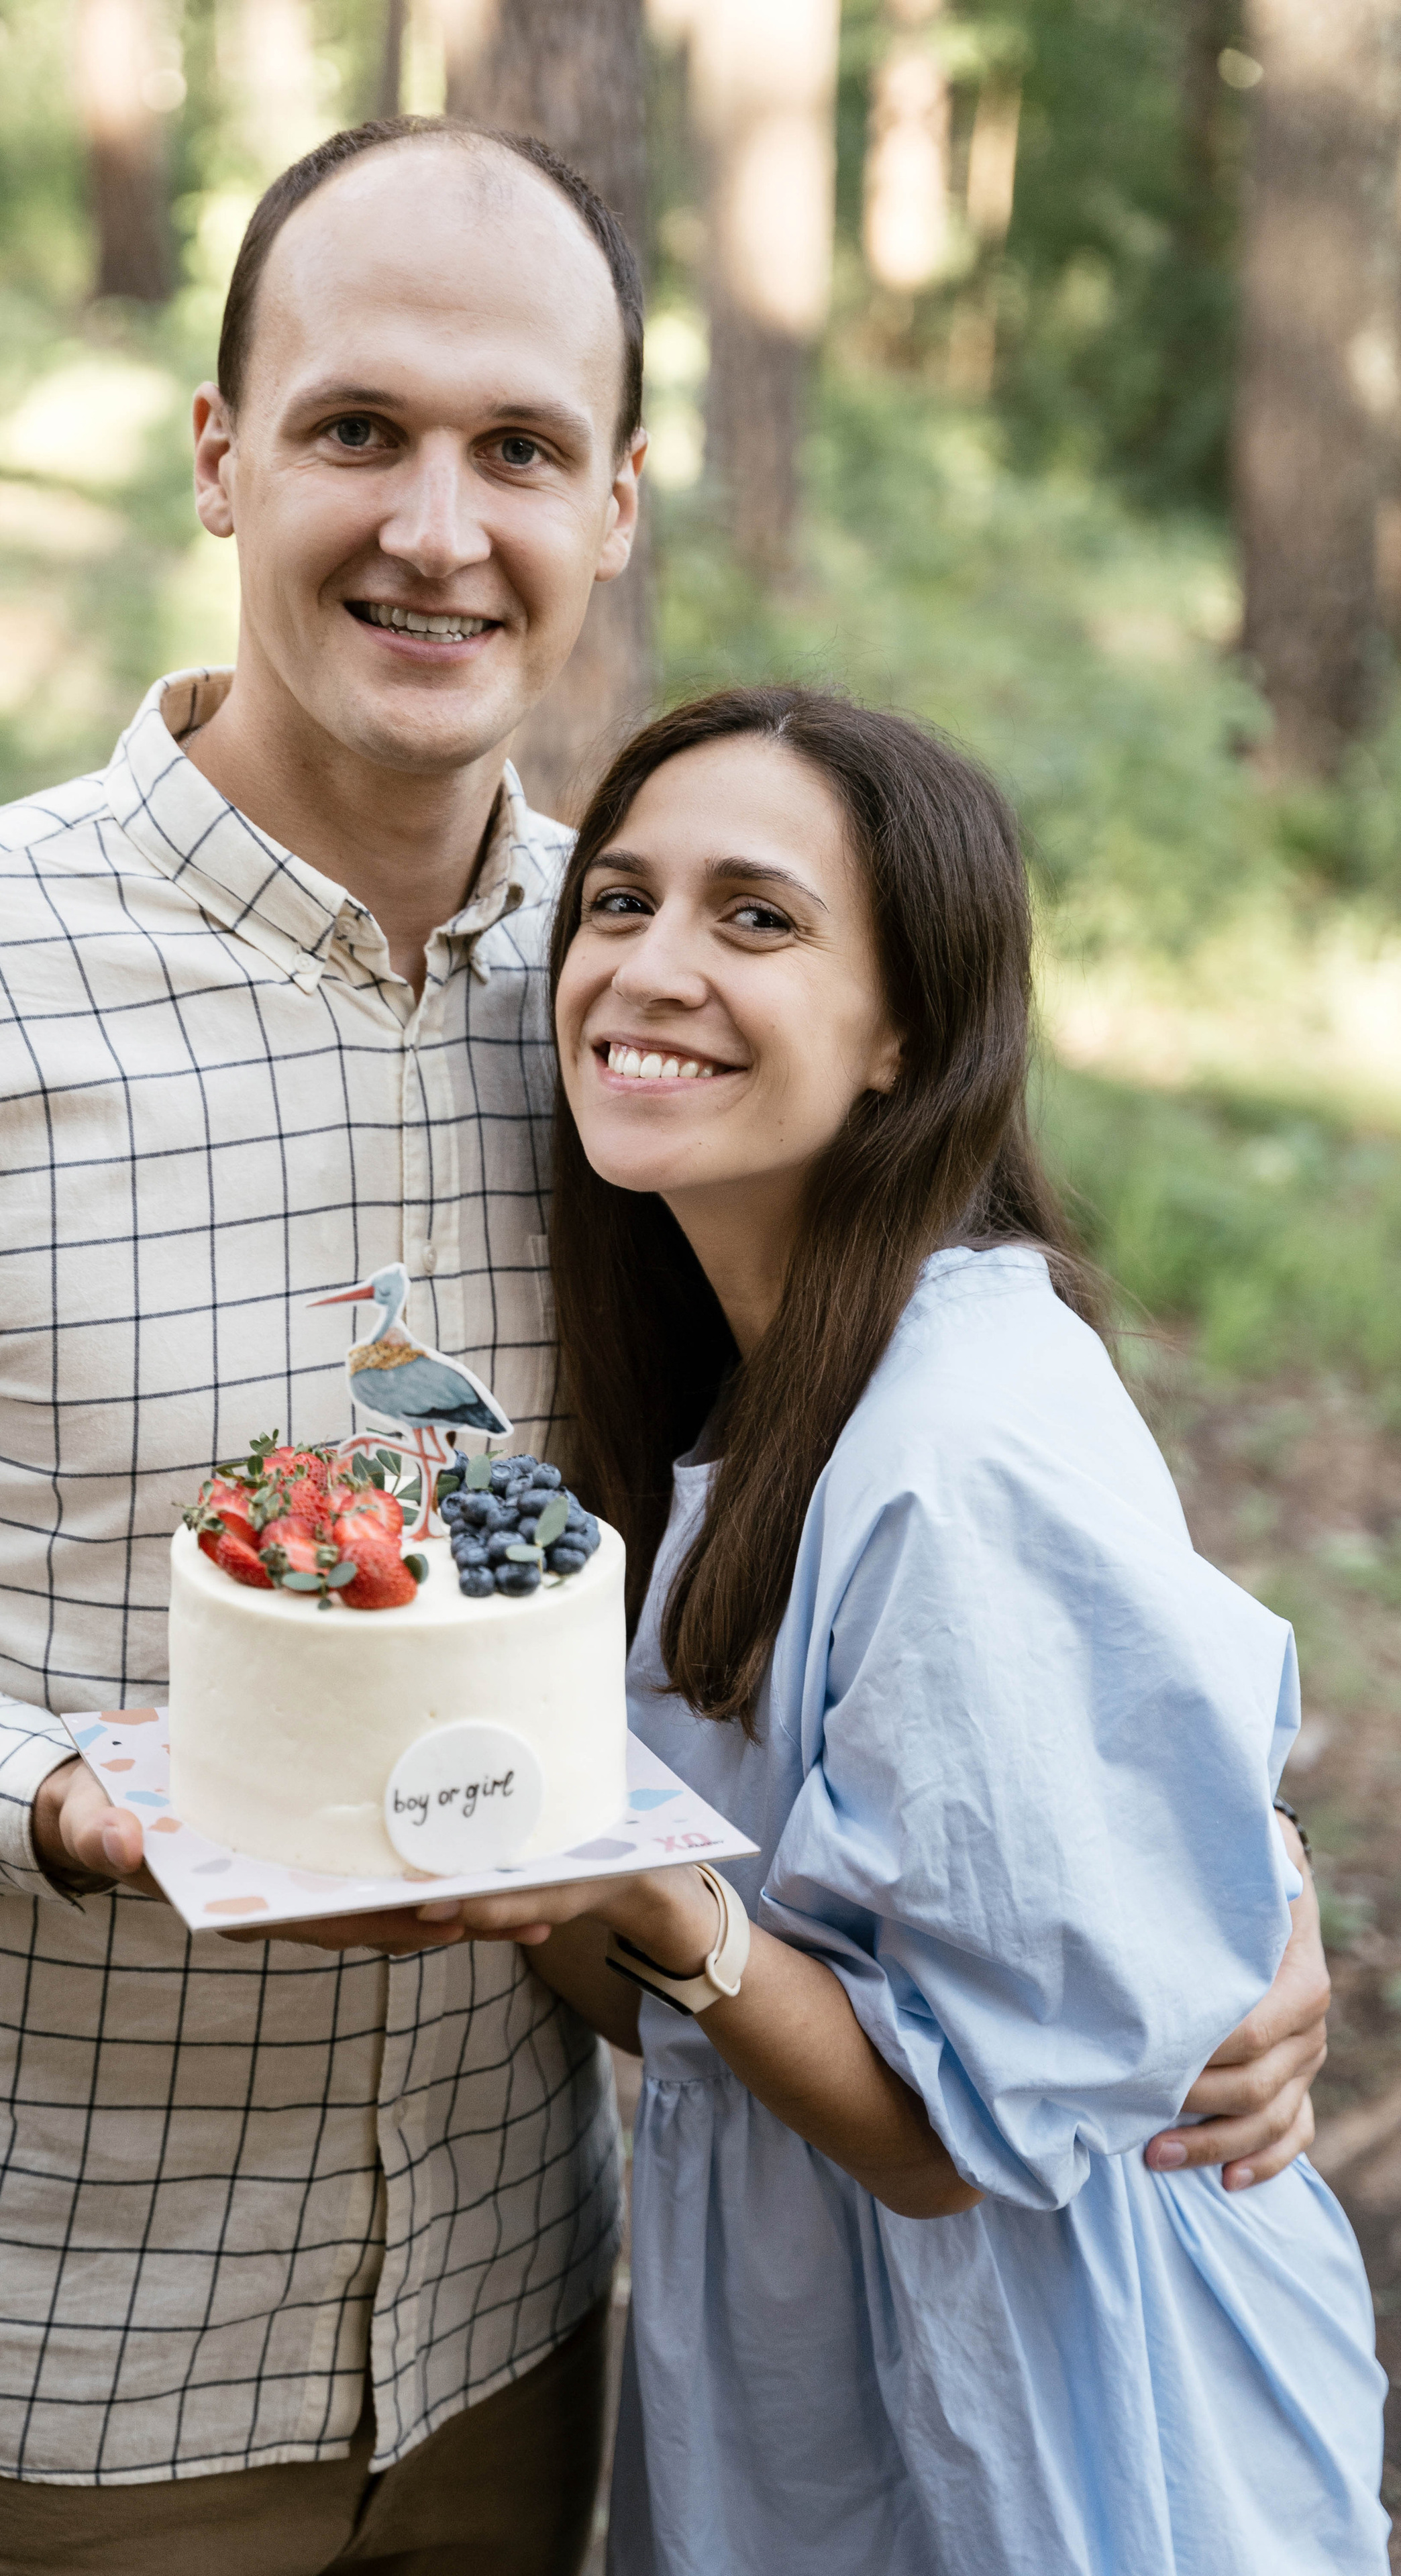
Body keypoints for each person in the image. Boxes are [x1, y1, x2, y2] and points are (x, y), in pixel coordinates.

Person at [0, 113, 1326, 2573]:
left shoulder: (659, 1009)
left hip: (528, 2328)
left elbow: (944, 1512)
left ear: (619, 506)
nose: (439, 528)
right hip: (61, 2357)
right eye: (358, 429)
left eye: (521, 450)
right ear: (224, 455)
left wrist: (1241, 1890)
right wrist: (59, 1796)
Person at [417, 686, 1386, 2575]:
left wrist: (635, 1873)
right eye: (617, 904)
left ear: (905, 1036)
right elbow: (690, 2003)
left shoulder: (957, 1444)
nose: (650, 969)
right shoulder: (743, 1385)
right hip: (818, 2363)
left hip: (1057, 2405)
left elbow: (947, 2141)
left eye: (755, 918)